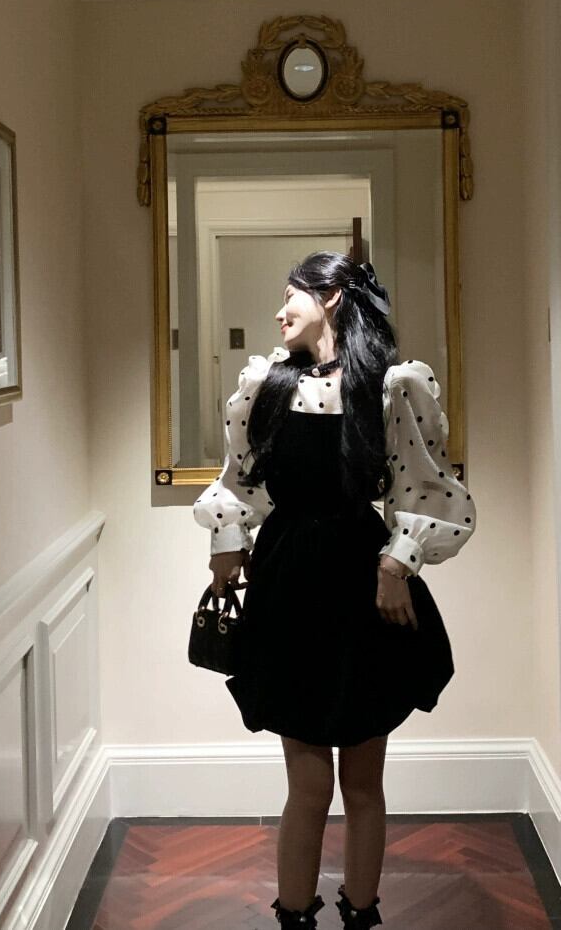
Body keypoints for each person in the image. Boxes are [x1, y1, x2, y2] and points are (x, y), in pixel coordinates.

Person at [193, 251, 477, 930]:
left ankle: (360, 913)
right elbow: (241, 481)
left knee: (363, 781)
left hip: (361, 583)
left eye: (291, 295)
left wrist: (397, 565)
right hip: (287, 584)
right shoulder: (265, 385)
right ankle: (294, 915)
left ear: (333, 298)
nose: (279, 311)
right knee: (309, 784)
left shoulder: (391, 387)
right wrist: (226, 541)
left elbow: (426, 488)